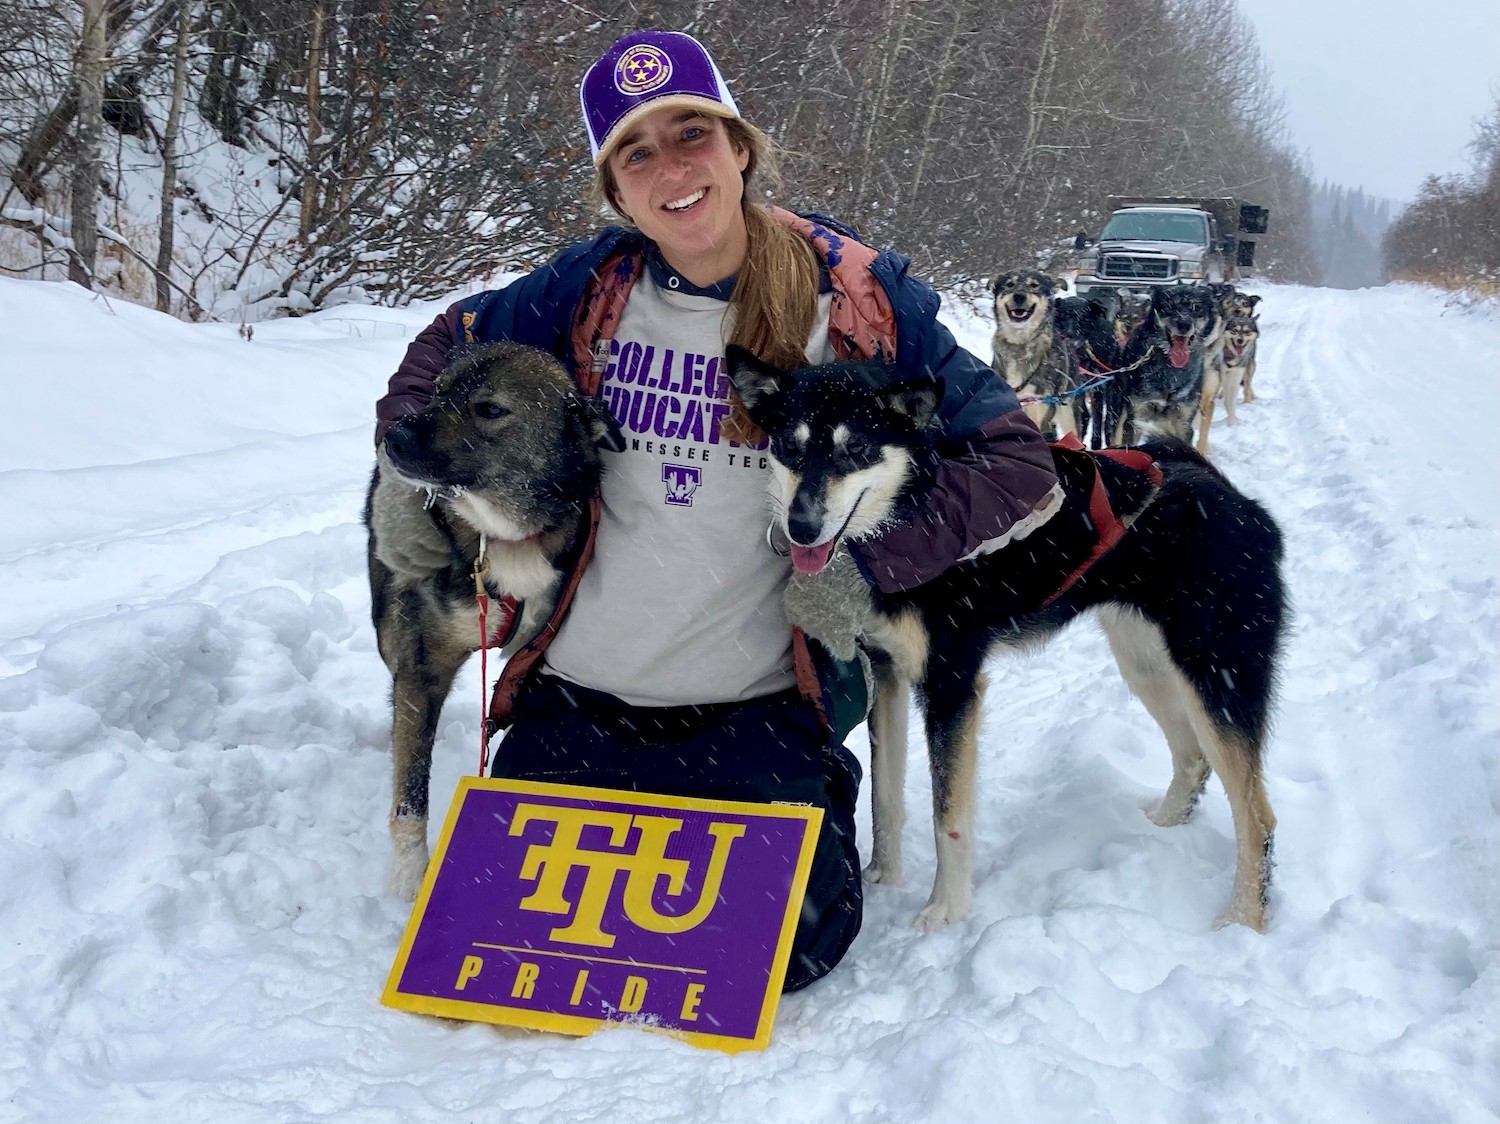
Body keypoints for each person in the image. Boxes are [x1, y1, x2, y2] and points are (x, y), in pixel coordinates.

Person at [372, 29, 1060, 991]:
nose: (671, 167)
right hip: (581, 694)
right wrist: (411, 457)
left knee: (787, 946)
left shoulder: (857, 302)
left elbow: (1017, 459)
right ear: (617, 191)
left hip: (760, 707)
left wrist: (870, 563)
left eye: (691, 132)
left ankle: (804, 795)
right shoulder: (584, 291)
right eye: (635, 152)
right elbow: (446, 344)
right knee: (519, 951)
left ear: (741, 147)